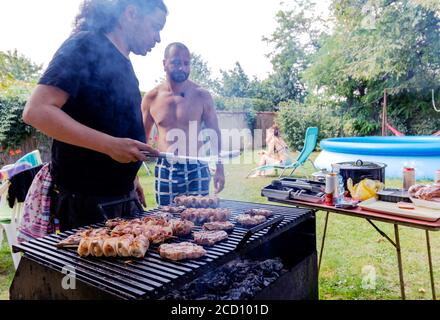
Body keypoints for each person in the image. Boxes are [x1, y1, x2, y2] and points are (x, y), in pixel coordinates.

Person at [22, 0, 168, 231]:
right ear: (130, 14)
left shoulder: (123, 62)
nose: (158, 37)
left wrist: (131, 177)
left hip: (120, 194)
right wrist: (110, 145)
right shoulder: (85, 45)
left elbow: (107, 121)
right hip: (86, 200)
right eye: (155, 26)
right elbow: (37, 111)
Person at [142, 42, 225, 206]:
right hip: (166, 168)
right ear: (164, 63)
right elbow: (141, 138)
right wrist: (133, 176)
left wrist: (220, 169)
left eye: (186, 63)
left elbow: (214, 132)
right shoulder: (151, 98)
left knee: (201, 219)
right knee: (166, 221)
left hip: (197, 166)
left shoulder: (202, 95)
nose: (182, 67)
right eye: (176, 62)